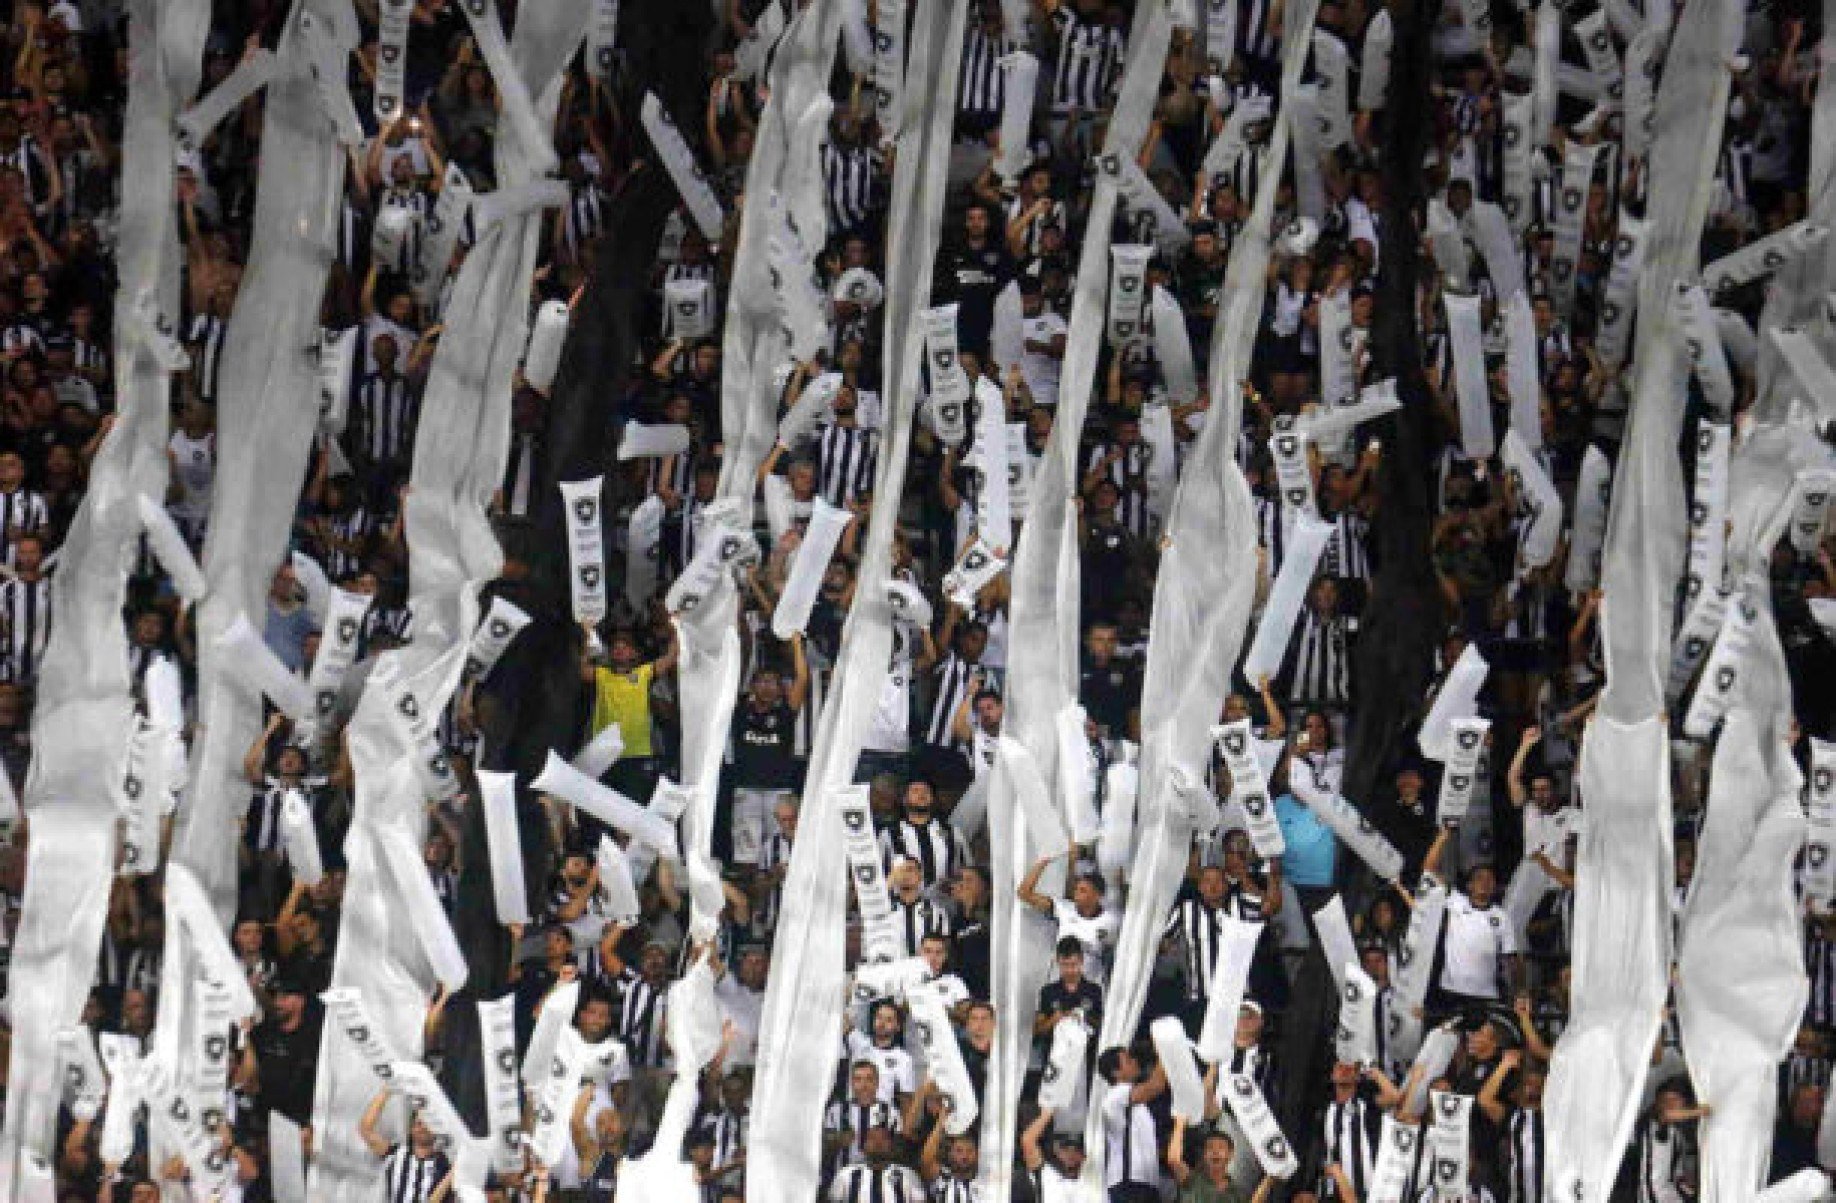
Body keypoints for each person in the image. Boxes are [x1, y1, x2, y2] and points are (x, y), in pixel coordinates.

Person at [1097, 1043, 1169, 1201]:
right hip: (1128, 1183)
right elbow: (1157, 1085)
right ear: (1115, 1072)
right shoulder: (1115, 1095)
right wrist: (1165, 1049)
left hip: (1145, 1183)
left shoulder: (1139, 1107)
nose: (1135, 1061)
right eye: (1128, 1060)